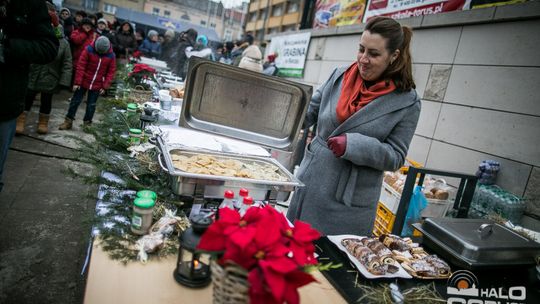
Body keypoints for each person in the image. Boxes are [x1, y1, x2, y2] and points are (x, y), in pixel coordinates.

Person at [286, 17, 421, 236]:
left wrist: (354, 145)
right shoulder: (340, 75)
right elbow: (309, 112)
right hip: (311, 182)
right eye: (361, 49)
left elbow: (396, 156)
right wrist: (278, 116)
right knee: (290, 250)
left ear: (393, 56)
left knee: (328, 264)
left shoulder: (407, 102)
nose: (363, 59)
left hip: (347, 202)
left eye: (374, 54)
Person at [0, 0, 59, 192]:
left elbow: (49, 47)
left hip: (4, 100)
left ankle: (34, 122)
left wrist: (6, 47)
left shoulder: (29, 4)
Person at [17, 24, 72, 135]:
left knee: (46, 100)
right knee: (28, 97)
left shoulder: (64, 44)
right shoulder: (38, 38)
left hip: (51, 77)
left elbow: (67, 63)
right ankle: (20, 121)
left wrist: (64, 81)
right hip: (34, 74)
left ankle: (43, 123)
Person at [59, 36, 116, 130]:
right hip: (83, 81)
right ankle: (68, 121)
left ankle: (87, 124)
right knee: (75, 101)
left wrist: (105, 86)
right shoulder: (88, 50)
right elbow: (81, 66)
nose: (100, 54)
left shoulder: (111, 56)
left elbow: (111, 72)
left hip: (97, 84)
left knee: (91, 105)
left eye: (102, 53)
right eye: (99, 52)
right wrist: (77, 82)